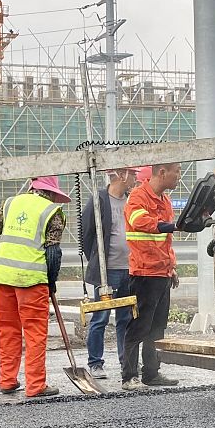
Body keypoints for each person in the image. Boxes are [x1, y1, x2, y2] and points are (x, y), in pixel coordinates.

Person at [0, 176, 70, 399]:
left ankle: (7, 380)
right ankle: (36, 385)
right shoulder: (54, 212)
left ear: (32, 187)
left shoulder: (11, 202)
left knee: (8, 330)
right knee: (34, 333)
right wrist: (51, 281)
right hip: (31, 280)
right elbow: (53, 253)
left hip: (3, 277)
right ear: (52, 192)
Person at [122, 162, 183, 391]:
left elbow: (166, 242)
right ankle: (129, 376)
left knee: (157, 328)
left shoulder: (164, 201)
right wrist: (170, 225)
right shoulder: (138, 196)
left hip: (161, 273)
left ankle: (151, 373)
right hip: (144, 273)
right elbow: (140, 221)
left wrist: (172, 267)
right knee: (139, 326)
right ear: (162, 172)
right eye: (176, 171)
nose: (179, 176)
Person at [80, 168, 134, 378]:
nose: (136, 179)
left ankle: (126, 362)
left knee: (125, 318)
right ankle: (95, 363)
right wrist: (96, 261)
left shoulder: (130, 201)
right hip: (107, 271)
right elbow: (86, 234)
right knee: (101, 317)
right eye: (133, 175)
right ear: (121, 175)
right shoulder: (99, 200)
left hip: (128, 269)